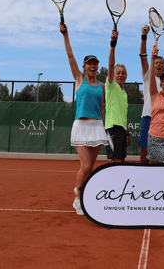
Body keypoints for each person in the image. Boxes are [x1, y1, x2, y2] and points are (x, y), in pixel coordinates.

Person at [60, 23, 108, 216]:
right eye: (89, 63)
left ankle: (82, 191)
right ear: (84, 66)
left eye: (95, 63)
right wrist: (66, 35)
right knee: (86, 165)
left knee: (91, 167)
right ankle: (78, 198)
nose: (93, 66)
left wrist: (104, 126)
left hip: (96, 125)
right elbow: (70, 55)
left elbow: (101, 107)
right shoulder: (79, 79)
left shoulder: (101, 86)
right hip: (81, 125)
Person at [138, 25, 164, 163]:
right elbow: (143, 57)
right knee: (145, 150)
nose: (158, 65)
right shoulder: (149, 76)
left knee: (161, 155)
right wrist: (144, 37)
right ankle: (141, 176)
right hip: (149, 117)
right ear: (153, 65)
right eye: (156, 63)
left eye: (161, 63)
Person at [105, 30, 131, 162]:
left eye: (123, 73)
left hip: (122, 129)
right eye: (118, 73)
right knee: (115, 161)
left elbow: (124, 115)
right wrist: (113, 45)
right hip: (112, 127)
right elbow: (110, 64)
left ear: (126, 76)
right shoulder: (111, 86)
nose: (120, 75)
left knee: (122, 160)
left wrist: (127, 134)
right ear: (113, 75)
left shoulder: (124, 93)